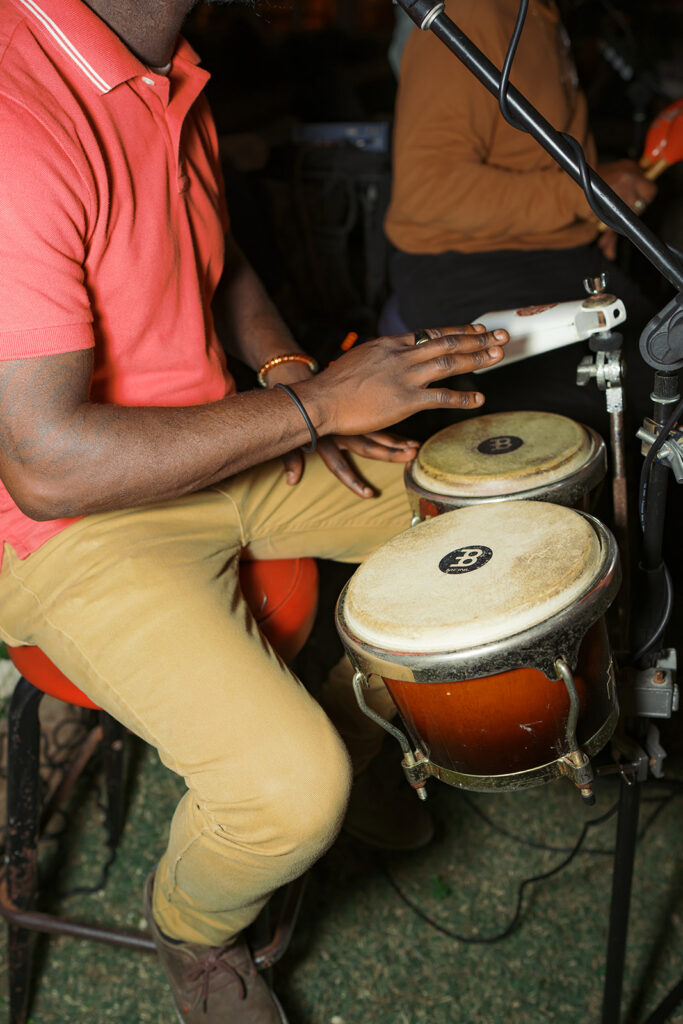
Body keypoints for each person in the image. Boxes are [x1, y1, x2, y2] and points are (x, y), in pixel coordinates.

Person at [0, 0, 509, 1019]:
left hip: (221, 445)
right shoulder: (19, 116)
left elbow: (216, 256)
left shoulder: (168, 67)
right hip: (75, 525)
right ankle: (194, 929)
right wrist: (316, 407)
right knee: (288, 791)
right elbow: (46, 466)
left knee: (493, 528)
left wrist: (288, 377)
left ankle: (358, 729)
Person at [385, 0, 658, 333]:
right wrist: (585, 197)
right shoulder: (473, 14)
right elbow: (428, 189)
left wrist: (597, 205)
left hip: (553, 250)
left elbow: (528, 153)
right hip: (470, 264)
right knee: (654, 355)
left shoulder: (538, 12)